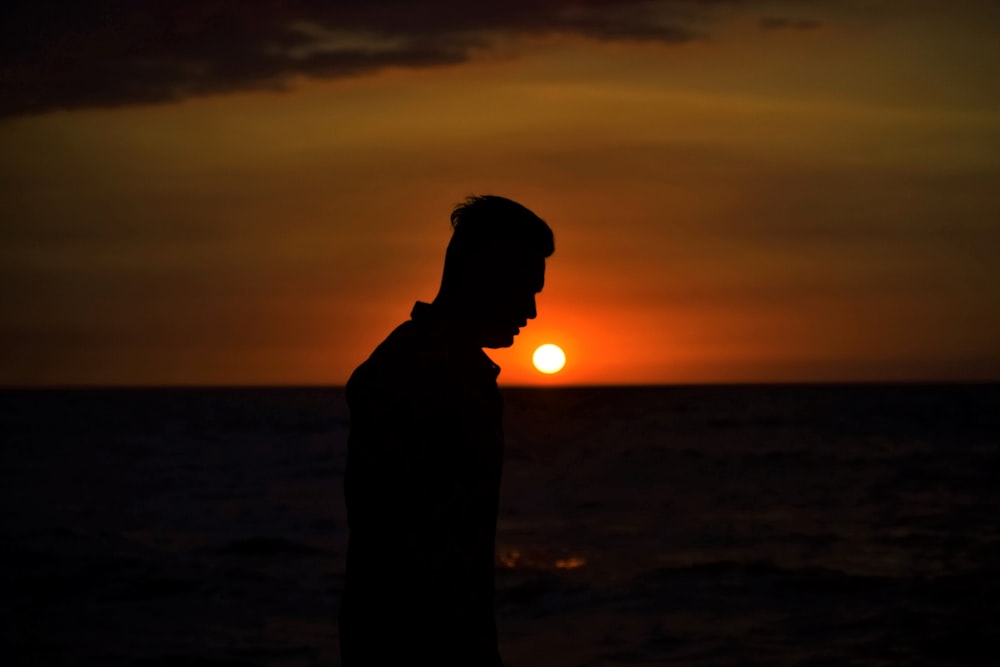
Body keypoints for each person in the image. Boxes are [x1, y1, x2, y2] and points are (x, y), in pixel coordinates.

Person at [339, 195, 554, 666]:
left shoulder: (419, 364)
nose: (533, 311)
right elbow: (420, 551)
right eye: (526, 288)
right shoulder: (432, 375)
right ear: (487, 277)